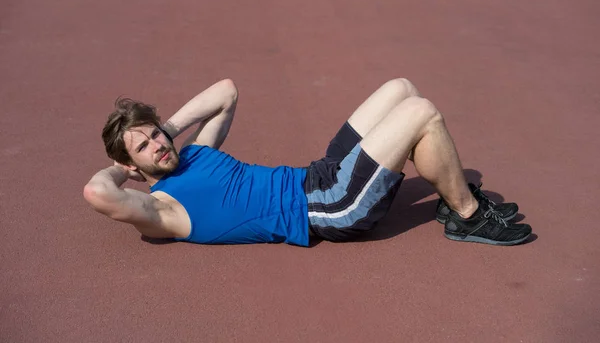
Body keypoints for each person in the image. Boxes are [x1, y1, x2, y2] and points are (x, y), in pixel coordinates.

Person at [83, 78, 532, 246]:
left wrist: (160, 130)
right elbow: (97, 193)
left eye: (155, 134)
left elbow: (226, 91)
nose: (158, 145)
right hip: (327, 209)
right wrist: (124, 167)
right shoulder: (163, 208)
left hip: (319, 176)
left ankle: (450, 191)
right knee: (422, 114)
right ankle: (466, 215)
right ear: (133, 168)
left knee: (401, 89)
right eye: (143, 148)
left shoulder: (196, 152)